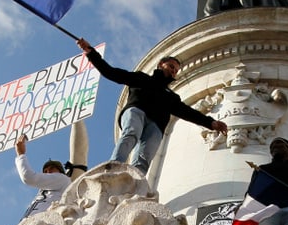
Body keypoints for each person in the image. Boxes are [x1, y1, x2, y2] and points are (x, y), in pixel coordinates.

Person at [76, 38, 228, 173]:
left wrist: (211, 123)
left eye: (176, 70)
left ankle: (135, 183)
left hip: (156, 125)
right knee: (131, 133)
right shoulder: (141, 78)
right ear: (161, 64)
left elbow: (187, 112)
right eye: (171, 66)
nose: (174, 71)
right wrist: (91, 53)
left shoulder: (171, 97)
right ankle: (113, 167)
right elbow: (111, 72)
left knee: (145, 155)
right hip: (137, 111)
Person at [15, 134, 73, 219]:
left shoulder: (62, 178)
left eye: (52, 168)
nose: (48, 172)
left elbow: (28, 177)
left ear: (60, 171)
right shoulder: (45, 190)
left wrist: (21, 155)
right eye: (45, 171)